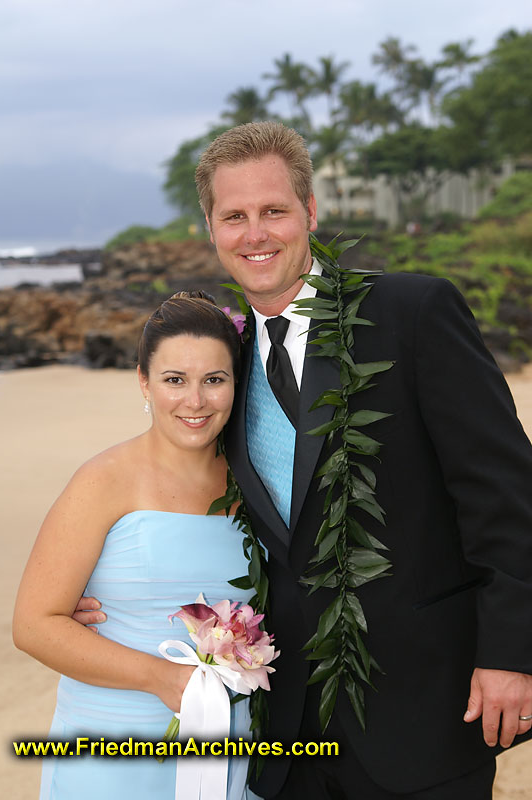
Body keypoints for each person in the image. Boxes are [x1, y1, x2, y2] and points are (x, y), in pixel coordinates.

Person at [77, 121, 532, 799]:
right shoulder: (223, 368)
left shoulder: (410, 314)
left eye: (274, 211)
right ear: (211, 228)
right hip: (285, 731)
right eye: (234, 216)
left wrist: (512, 655)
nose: (254, 234)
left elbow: (506, 496)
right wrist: (110, 589)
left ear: (310, 213)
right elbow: (200, 499)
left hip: (425, 713)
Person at [13, 292, 259, 800]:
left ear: (236, 384)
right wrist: (160, 678)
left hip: (235, 745)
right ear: (144, 381)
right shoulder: (103, 481)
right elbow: (33, 624)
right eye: (175, 380)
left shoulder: (256, 484)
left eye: (214, 380)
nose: (195, 401)